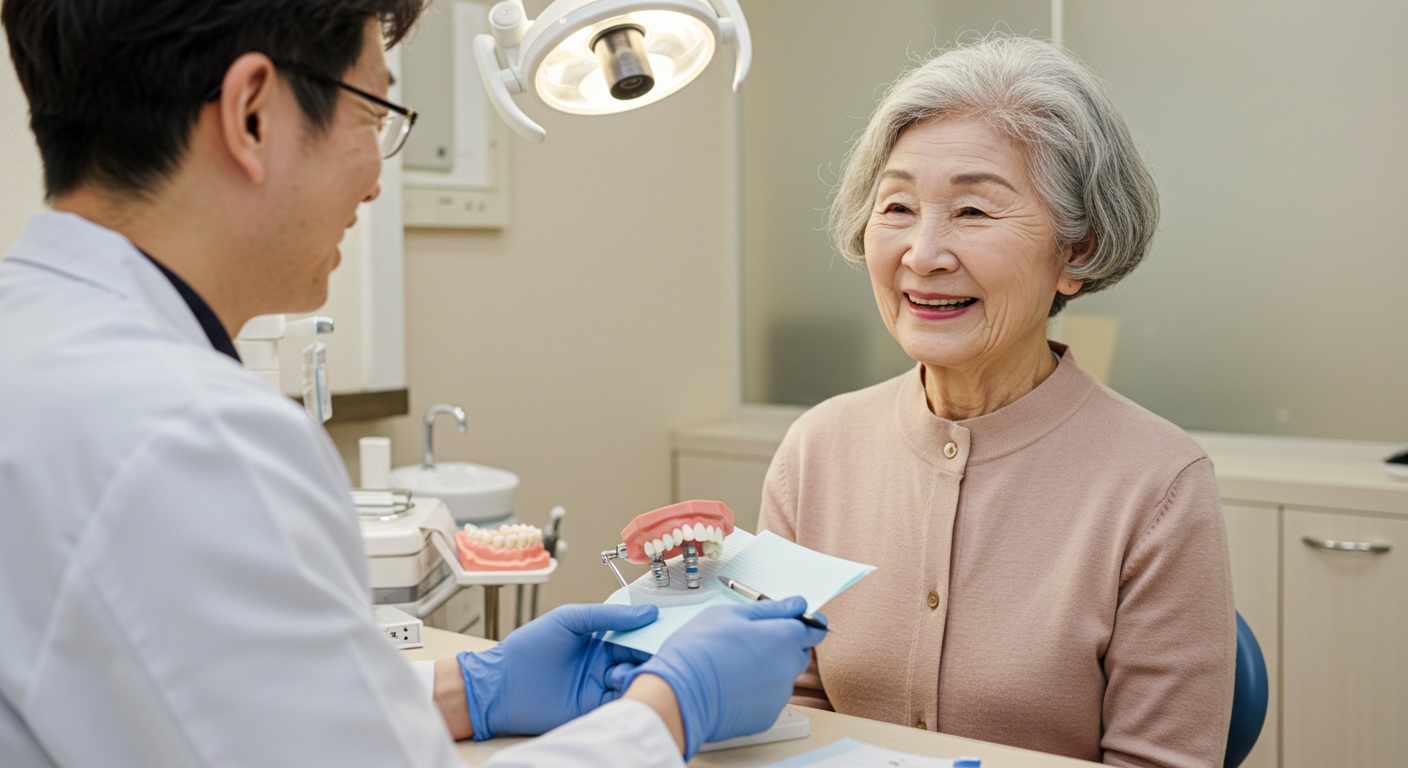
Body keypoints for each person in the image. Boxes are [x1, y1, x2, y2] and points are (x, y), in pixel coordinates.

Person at [0, 1, 824, 766]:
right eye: (372, 115)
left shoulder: (40, 344)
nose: (375, 178)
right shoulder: (188, 436)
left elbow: (224, 708)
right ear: (253, 114)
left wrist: (459, 690)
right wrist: (667, 709)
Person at [756, 34, 1234, 767]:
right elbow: (789, 713)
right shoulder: (816, 450)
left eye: (974, 212)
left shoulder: (1158, 483)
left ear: (1078, 249)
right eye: (898, 207)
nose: (922, 253)